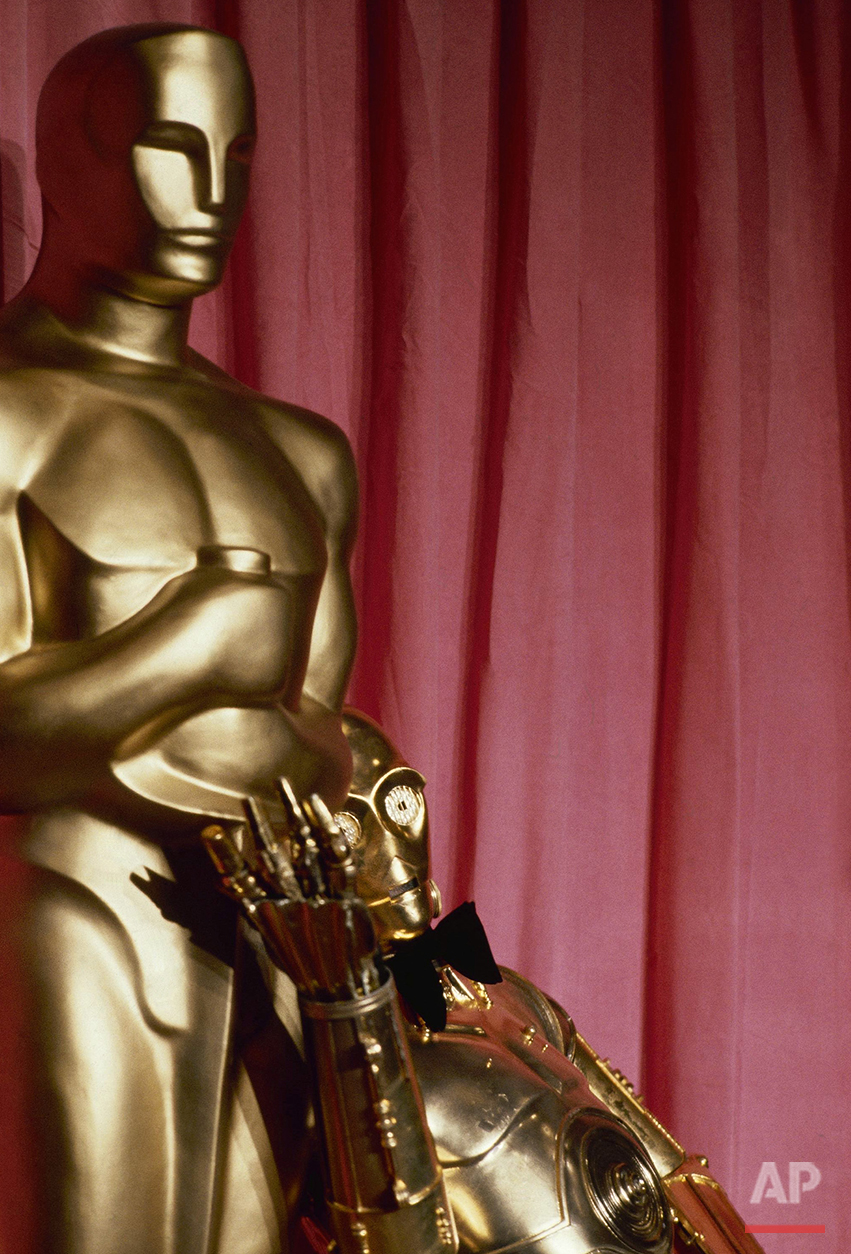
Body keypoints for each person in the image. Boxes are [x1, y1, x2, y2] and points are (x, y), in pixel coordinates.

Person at [0, 24, 357, 1254]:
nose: (211, 194)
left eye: (236, 152)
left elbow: (320, 730)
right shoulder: (8, 416)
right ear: (61, 166)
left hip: (277, 940)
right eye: (166, 146)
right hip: (65, 913)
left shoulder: (301, 453)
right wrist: (193, 648)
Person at [204, 711, 764, 1254]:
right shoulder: (314, 1052)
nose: (392, 855)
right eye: (348, 830)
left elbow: (671, 1174)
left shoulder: (508, 995)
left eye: (400, 805)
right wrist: (348, 1007)